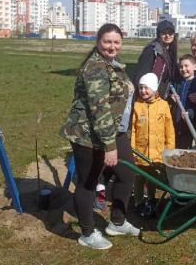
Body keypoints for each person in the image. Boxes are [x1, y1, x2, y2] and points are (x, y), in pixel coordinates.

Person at [59, 23, 139, 250]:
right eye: (107, 42)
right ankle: (86, 233)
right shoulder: (95, 68)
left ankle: (117, 221)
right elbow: (99, 110)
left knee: (126, 174)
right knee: (88, 183)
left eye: (116, 42)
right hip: (88, 135)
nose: (112, 46)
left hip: (115, 131)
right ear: (98, 42)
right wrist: (109, 146)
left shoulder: (113, 64)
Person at [131, 72, 175, 217]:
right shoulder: (137, 106)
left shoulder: (163, 106)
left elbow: (169, 130)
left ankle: (151, 199)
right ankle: (138, 201)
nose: (143, 91)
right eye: (141, 88)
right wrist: (132, 150)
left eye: (146, 88)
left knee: (153, 178)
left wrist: (170, 150)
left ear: (154, 89)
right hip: (140, 152)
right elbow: (132, 130)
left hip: (157, 153)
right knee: (139, 178)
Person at [133, 20, 178, 99]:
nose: (167, 36)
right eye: (164, 33)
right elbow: (141, 74)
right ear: (159, 34)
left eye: (170, 33)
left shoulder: (171, 53)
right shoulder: (152, 50)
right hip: (149, 97)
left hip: (162, 99)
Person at [170, 54, 196, 149]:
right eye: (181, 67)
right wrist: (171, 96)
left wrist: (190, 113)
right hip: (176, 121)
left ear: (194, 67)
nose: (183, 69)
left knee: (186, 145)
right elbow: (170, 95)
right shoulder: (177, 82)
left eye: (186, 66)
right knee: (175, 144)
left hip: (190, 121)